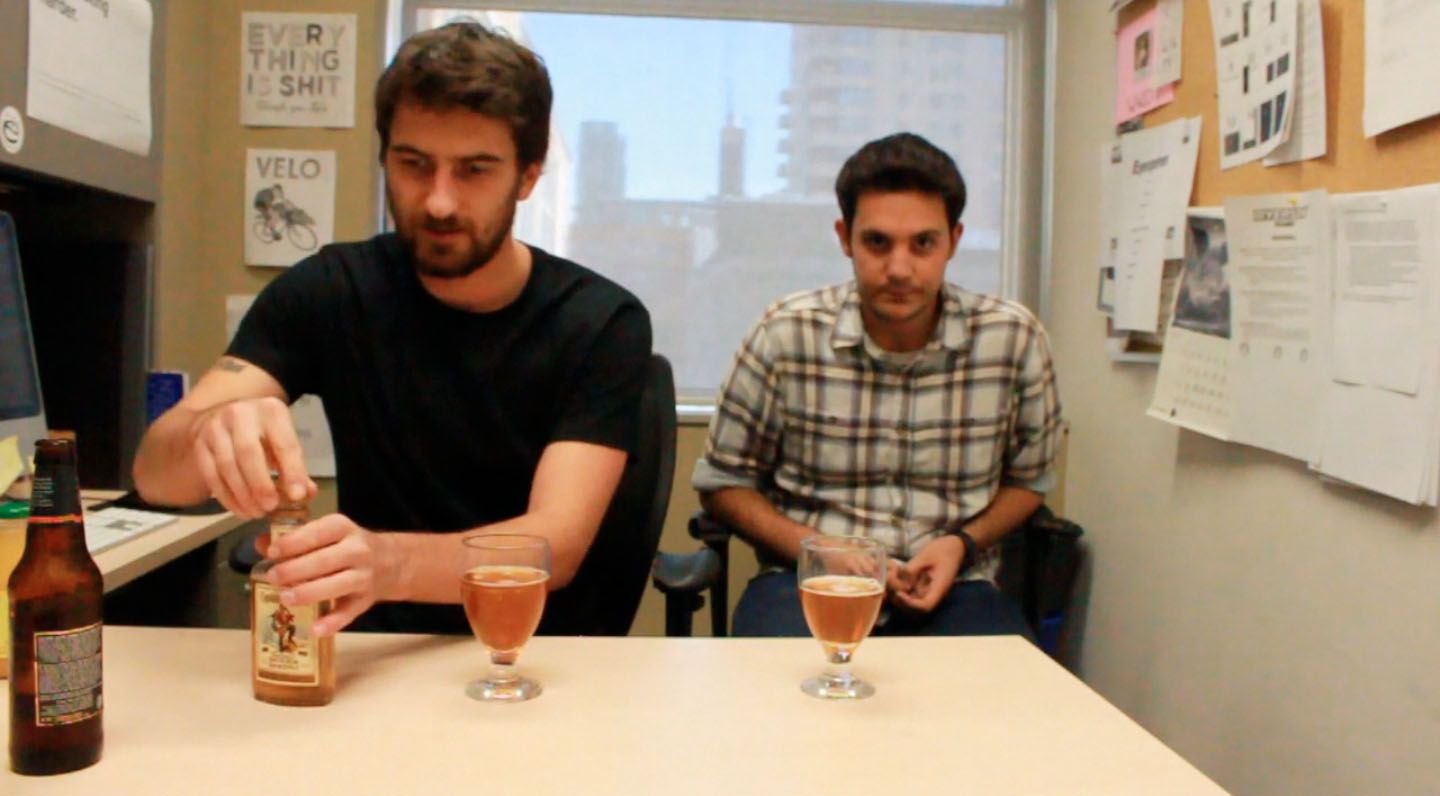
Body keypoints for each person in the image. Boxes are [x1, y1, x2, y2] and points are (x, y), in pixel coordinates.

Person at [134, 22, 652, 636]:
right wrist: (208, 434)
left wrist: (389, 563)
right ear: (385, 160)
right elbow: (154, 475)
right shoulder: (330, 290)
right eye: (413, 165)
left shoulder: (600, 322)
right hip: (373, 651)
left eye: (474, 170)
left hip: (538, 651)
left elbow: (552, 547)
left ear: (528, 176)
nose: (438, 202)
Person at [692, 132, 1062, 638]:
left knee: (999, 687)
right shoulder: (786, 333)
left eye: (923, 243)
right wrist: (820, 548)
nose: (899, 269)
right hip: (811, 582)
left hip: (958, 584)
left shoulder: (1013, 339)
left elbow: (1030, 481)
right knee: (780, 685)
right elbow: (722, 483)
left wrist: (962, 544)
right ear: (845, 237)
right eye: (877, 243)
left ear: (954, 240)